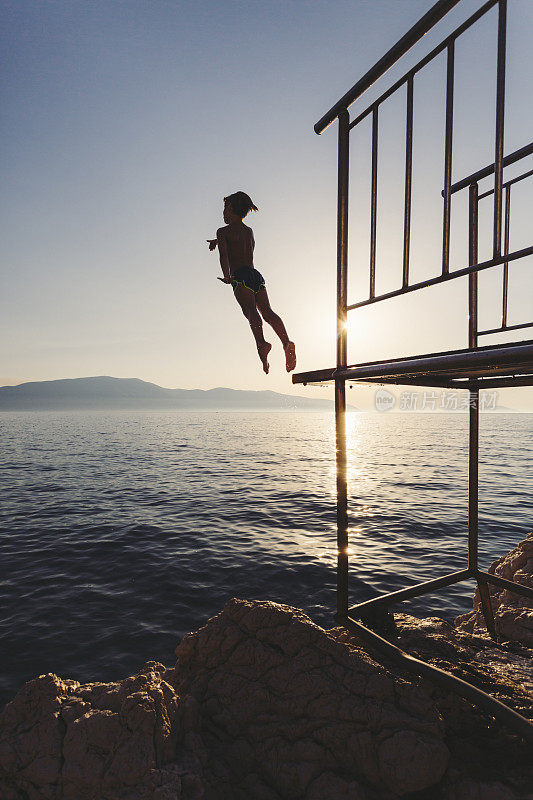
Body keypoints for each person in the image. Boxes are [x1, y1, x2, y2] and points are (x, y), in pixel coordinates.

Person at [207, 191, 296, 375]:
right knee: (268, 313)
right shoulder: (248, 231)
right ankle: (286, 341)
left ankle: (262, 344)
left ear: (230, 208)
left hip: (239, 276)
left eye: (225, 208)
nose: (223, 213)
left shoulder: (222, 231)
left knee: (250, 311)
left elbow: (224, 255)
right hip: (256, 275)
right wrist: (218, 240)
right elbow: (237, 238)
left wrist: (226, 275)